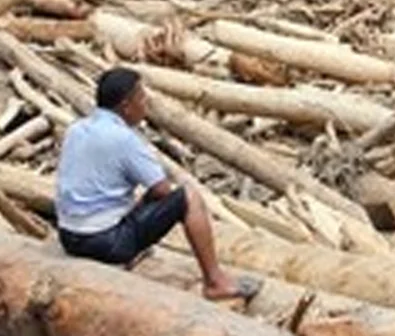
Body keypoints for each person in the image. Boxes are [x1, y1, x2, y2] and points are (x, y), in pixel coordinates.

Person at [54, 67, 258, 300]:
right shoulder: (125, 140)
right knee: (188, 198)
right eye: (141, 97)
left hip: (69, 236)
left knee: (144, 198)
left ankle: (128, 242)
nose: (146, 103)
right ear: (126, 106)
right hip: (104, 243)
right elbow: (162, 189)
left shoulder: (76, 129)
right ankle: (214, 281)